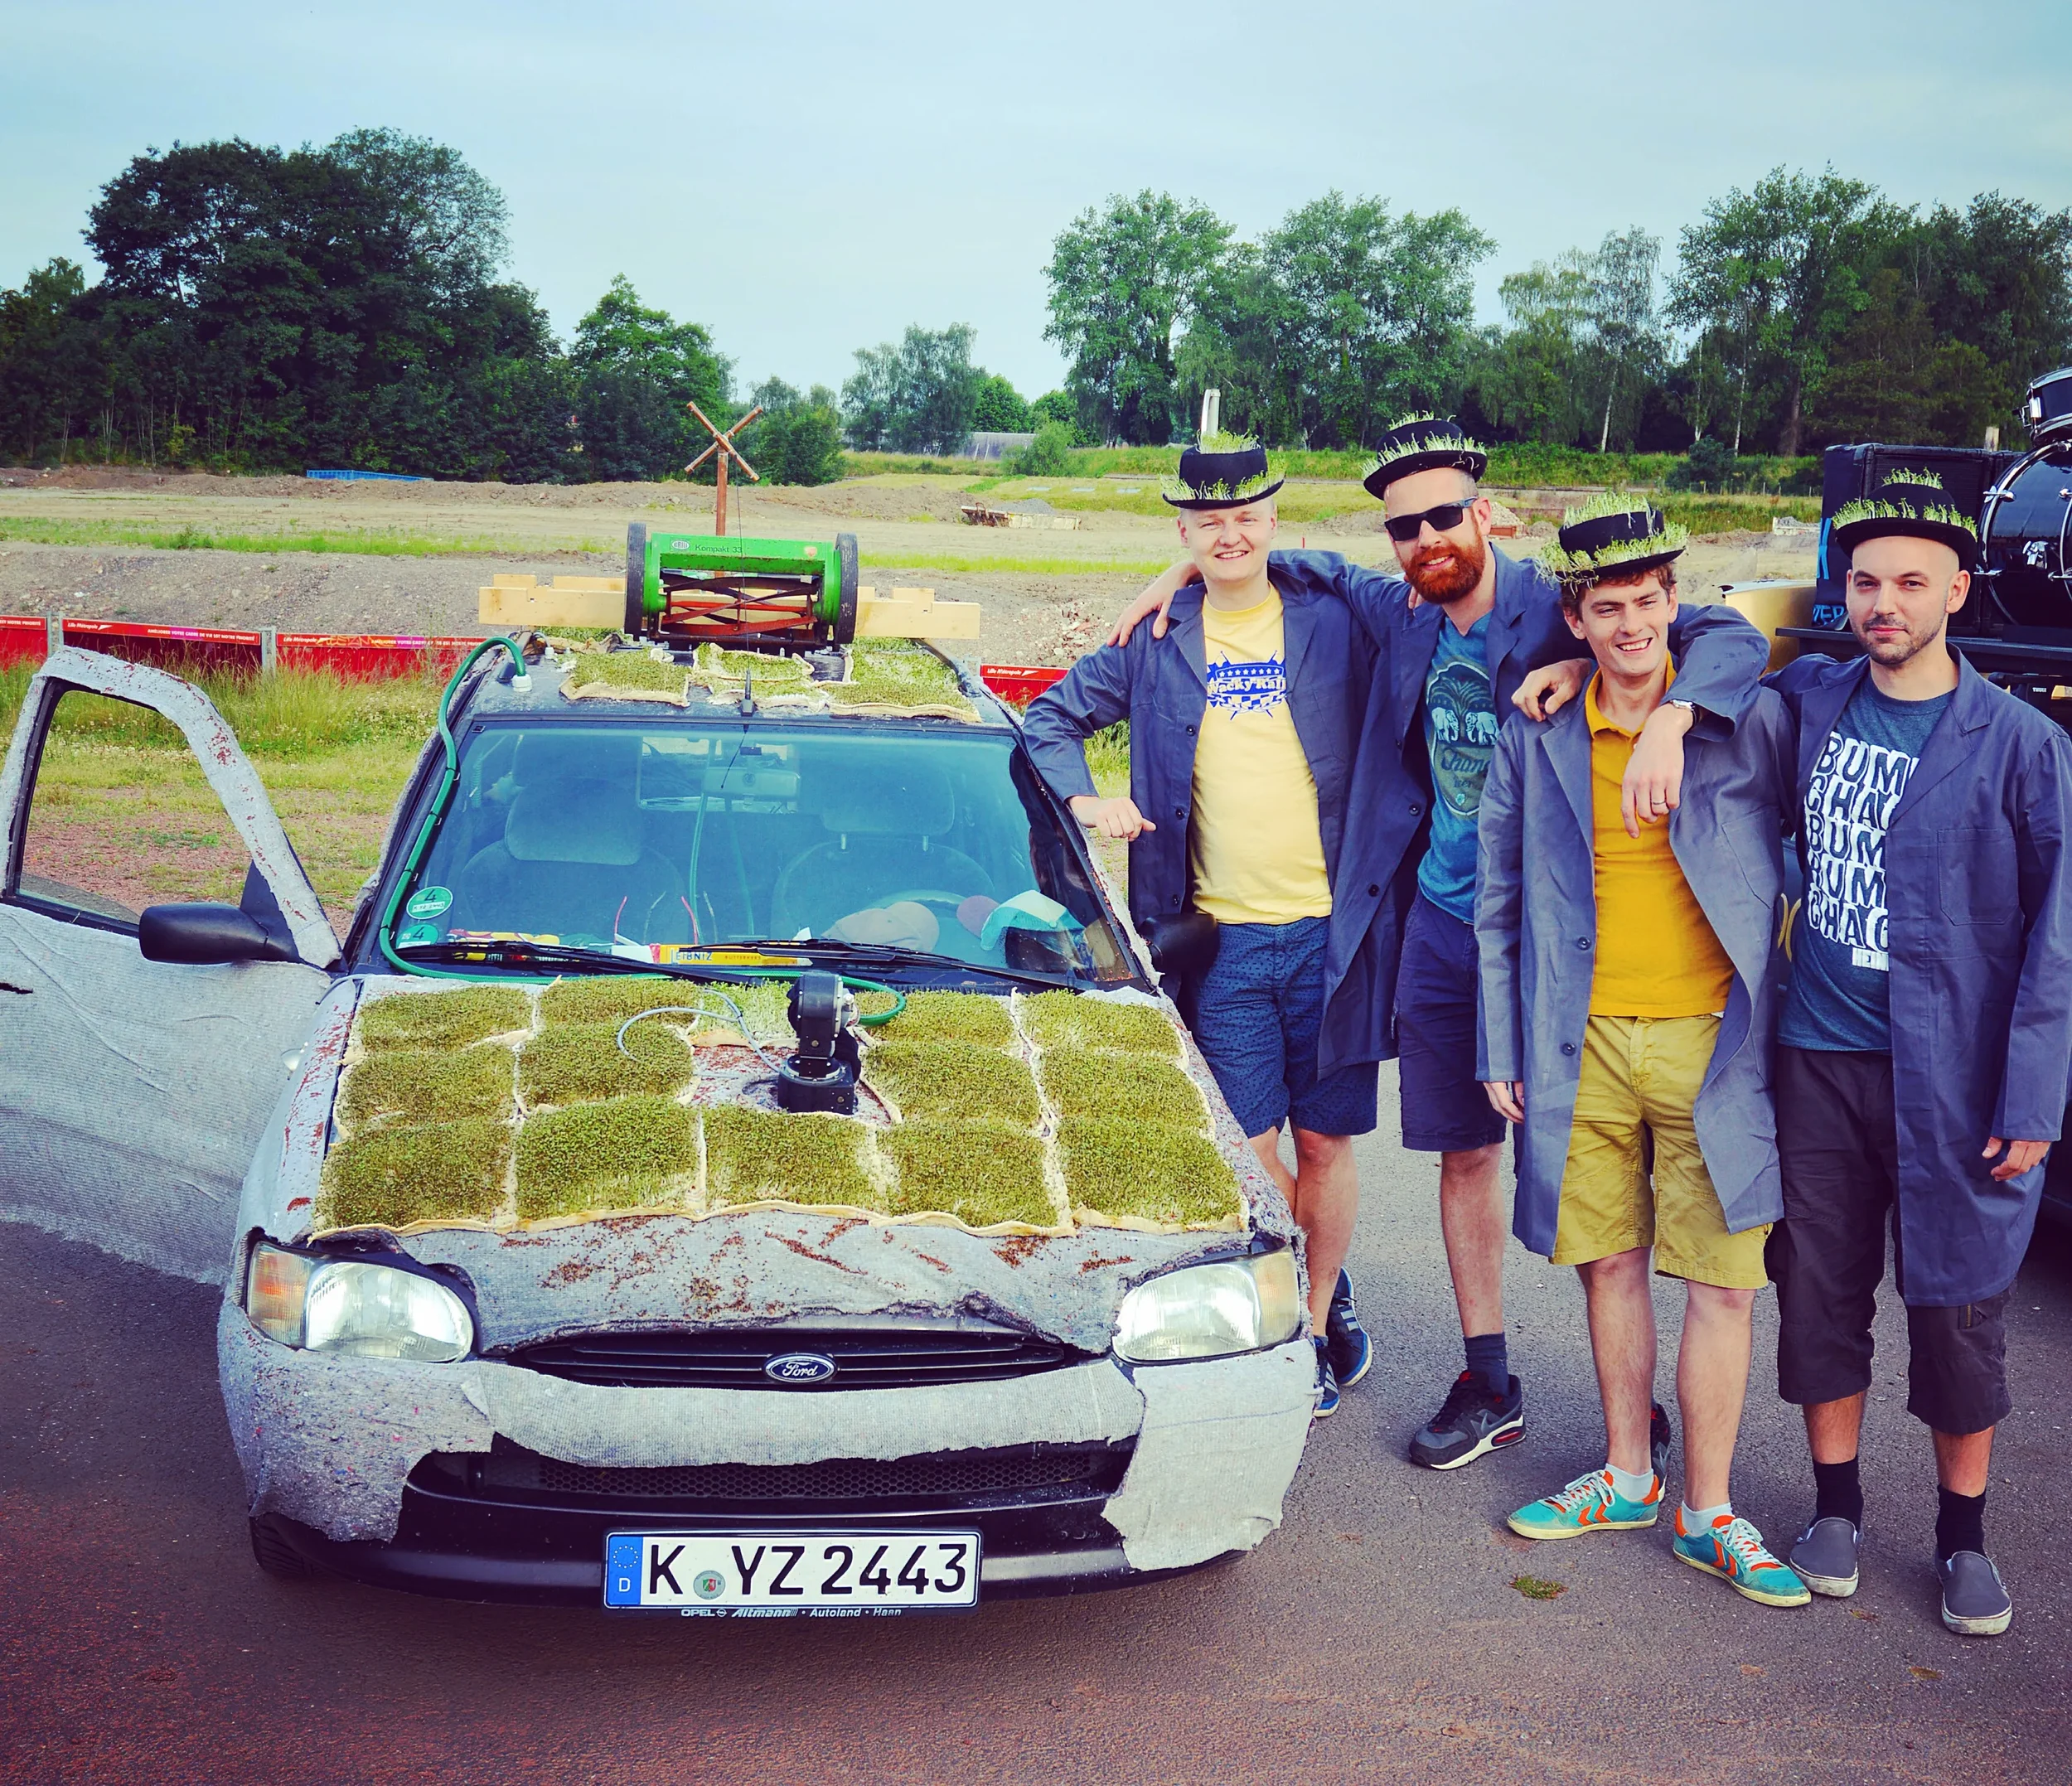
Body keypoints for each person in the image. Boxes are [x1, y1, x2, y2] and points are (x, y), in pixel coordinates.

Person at [1109, 415, 1769, 1467]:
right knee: (1464, 1155)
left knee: (1587, 1173)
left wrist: (1672, 715)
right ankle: (1488, 1377)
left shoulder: (1557, 608)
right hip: (1437, 921)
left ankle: (1628, 1403)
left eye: (1443, 515)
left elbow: (1724, 633)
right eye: (1403, 526)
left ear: (1485, 512)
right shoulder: (1402, 610)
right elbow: (1292, 562)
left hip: (1548, 936)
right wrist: (1179, 574)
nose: (1425, 539)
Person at [1476, 497, 1808, 1608]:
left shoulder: (1737, 717)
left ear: (1674, 600)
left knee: (1723, 1281)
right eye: (1607, 607)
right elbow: (1497, 900)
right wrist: (1501, 1041)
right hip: (1581, 1042)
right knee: (1607, 1260)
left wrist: (1671, 719)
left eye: (1648, 601)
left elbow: (1739, 638)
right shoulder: (1536, 731)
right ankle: (1626, 1472)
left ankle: (1707, 1511)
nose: (1630, 624)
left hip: (1715, 1041)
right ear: (1575, 619)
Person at [1765, 472, 2072, 1637]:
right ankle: (1834, 1510)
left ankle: (1962, 1536)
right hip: (1817, 1058)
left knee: (1958, 1307)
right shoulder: (1812, 700)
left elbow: (2056, 935)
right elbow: (1698, 644)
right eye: (1863, 581)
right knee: (1817, 1289)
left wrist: (2032, 1099)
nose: (1882, 603)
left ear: (1956, 589)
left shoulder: (2022, 744)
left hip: (1955, 1074)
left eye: (1908, 581)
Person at [1022, 435, 1385, 1417]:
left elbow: (1389, 589)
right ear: (1182, 529)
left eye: (1245, 518)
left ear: (1273, 521)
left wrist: (1202, 566)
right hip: (1222, 942)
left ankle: (1316, 1320)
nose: (1229, 536)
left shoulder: (1331, 619)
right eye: (1207, 523)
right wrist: (1087, 798)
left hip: (1332, 938)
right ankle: (1305, 1277)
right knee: (1253, 1149)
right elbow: (1048, 720)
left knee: (1326, 1144)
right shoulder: (1153, 641)